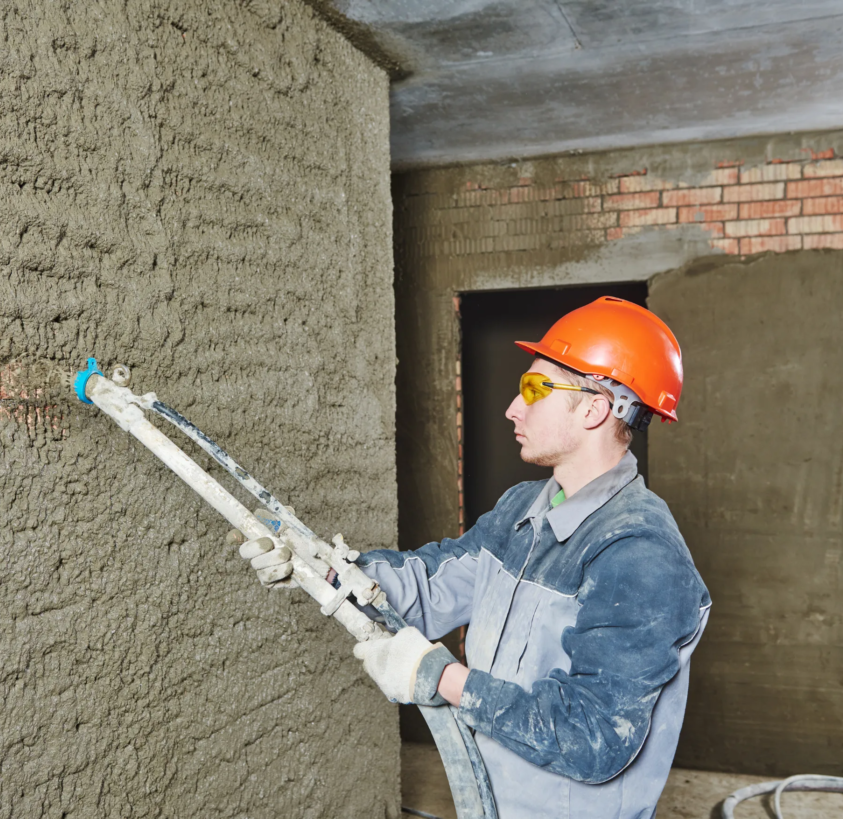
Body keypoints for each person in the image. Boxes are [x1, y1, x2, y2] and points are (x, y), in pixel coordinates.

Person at [238, 296, 711, 818]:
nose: (513, 407)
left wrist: (438, 677)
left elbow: (594, 736)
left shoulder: (639, 553)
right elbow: (432, 588)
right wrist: (322, 569)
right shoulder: (522, 509)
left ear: (596, 407)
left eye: (535, 389)